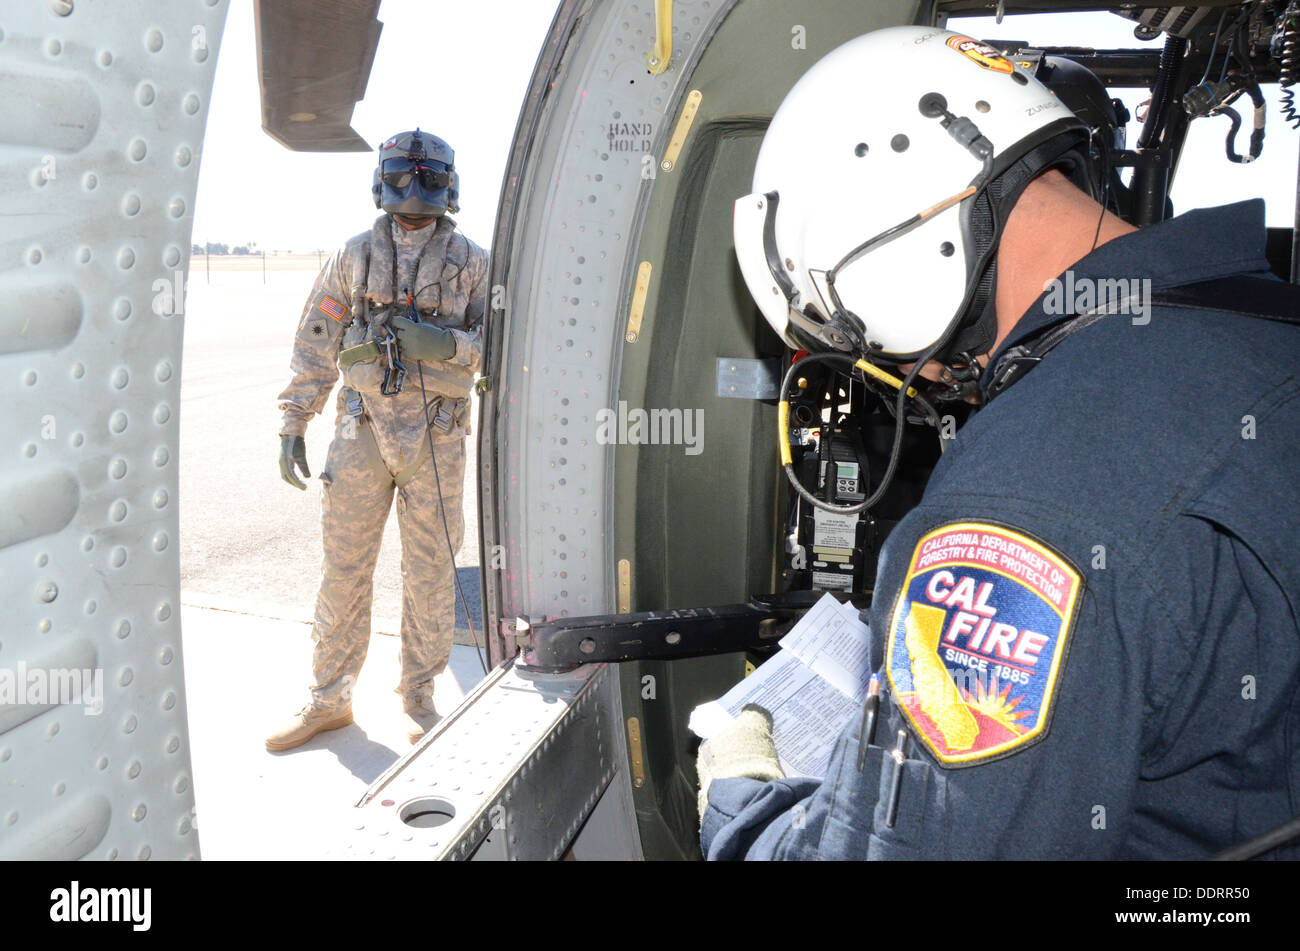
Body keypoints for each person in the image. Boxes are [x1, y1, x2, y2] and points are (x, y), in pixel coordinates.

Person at [702, 26, 1300, 859]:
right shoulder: (1263, 325)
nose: (932, 374)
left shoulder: (1029, 497)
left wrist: (743, 807)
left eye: (879, 345)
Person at [267, 129, 488, 750]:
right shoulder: (354, 255)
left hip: (437, 438)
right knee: (343, 569)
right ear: (381, 182)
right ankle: (328, 698)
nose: (413, 190)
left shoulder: (474, 262)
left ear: (447, 184)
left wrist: (448, 346)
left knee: (429, 571)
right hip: (362, 427)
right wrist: (294, 419)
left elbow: (502, 347)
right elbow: (317, 339)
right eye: (400, 176)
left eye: (425, 176)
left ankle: (419, 695)